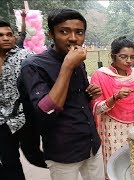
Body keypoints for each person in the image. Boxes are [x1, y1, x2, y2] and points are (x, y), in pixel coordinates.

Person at [18, 9, 105, 180]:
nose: (73, 38)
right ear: (51, 34)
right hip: (63, 150)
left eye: (79, 32)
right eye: (64, 31)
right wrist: (67, 66)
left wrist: (89, 94)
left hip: (91, 142)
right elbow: (46, 111)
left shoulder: (78, 61)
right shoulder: (34, 66)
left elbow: (76, 99)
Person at [90, 37, 134, 173]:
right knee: (116, 163)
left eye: (132, 57)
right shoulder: (101, 75)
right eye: (123, 57)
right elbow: (97, 108)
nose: (129, 61)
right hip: (113, 127)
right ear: (113, 56)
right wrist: (115, 97)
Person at [0, 20, 35, 180]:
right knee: (9, 161)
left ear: (15, 37)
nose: (5, 38)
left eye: (9, 34)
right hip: (1, 123)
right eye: (0, 35)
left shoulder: (25, 56)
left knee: (34, 156)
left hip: (24, 118)